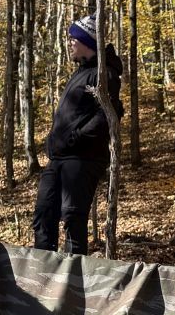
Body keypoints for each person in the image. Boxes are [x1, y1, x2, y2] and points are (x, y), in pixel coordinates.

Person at [33, 14, 121, 255]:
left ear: (88, 42)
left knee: (73, 218)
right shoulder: (81, 72)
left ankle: (74, 274)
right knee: (43, 214)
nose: (70, 43)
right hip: (58, 158)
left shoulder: (105, 74)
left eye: (74, 39)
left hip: (83, 158)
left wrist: (75, 138)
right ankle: (41, 269)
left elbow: (107, 116)